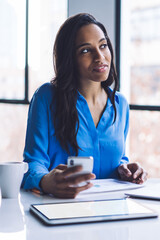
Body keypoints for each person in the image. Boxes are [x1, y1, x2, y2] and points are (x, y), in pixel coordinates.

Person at [22, 13, 147, 198]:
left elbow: (115, 158)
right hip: (59, 209)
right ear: (69, 59)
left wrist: (124, 169)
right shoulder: (46, 97)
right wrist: (46, 181)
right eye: (86, 50)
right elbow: (34, 162)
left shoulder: (120, 104)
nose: (100, 56)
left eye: (103, 46)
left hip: (111, 211)